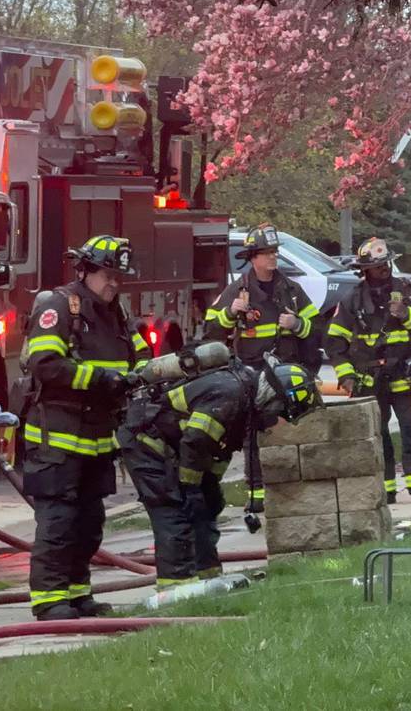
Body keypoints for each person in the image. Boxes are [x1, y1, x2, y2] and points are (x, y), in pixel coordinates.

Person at [19, 235, 150, 620]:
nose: (114, 283)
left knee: (89, 522)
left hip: (97, 437)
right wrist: (100, 379)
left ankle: (78, 594)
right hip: (57, 438)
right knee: (58, 521)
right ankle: (49, 600)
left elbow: (140, 355)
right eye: (108, 275)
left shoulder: (117, 312)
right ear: (86, 271)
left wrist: (150, 374)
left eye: (118, 277)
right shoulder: (59, 306)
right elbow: (45, 363)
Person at [119, 357, 319, 588]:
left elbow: (219, 451)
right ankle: (176, 588)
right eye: (279, 412)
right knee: (175, 512)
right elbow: (195, 442)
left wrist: (210, 485)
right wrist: (191, 488)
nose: (275, 420)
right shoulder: (229, 395)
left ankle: (209, 579)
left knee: (205, 511)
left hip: (176, 449)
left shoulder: (245, 402)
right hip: (148, 444)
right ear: (272, 398)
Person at [204, 223, 319, 512]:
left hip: (287, 375)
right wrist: (231, 313)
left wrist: (298, 324)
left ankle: (297, 490)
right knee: (252, 435)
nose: (272, 257)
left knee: (296, 431)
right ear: (253, 258)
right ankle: (256, 497)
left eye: (274, 252)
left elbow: (318, 330)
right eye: (266, 253)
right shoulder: (238, 291)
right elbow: (211, 329)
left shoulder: (292, 291)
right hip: (252, 375)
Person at [326, 238, 411, 503]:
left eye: (386, 263)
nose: (384, 269)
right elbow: (334, 343)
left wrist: (407, 315)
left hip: (403, 378)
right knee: (378, 437)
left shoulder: (407, 291)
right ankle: (386, 490)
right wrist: (346, 376)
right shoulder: (352, 299)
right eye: (378, 266)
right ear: (365, 269)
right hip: (369, 381)